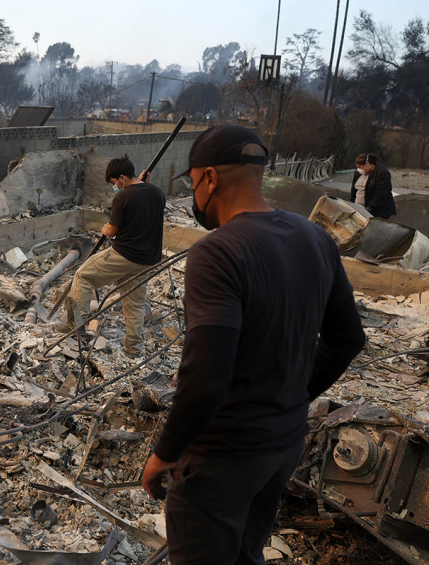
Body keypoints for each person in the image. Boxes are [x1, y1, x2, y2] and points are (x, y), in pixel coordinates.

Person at [141, 124, 365, 564]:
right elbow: (348, 339)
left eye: (193, 184)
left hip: (224, 457)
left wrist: (164, 453)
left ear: (209, 178)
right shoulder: (315, 238)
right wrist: (293, 398)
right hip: (282, 448)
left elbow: (206, 377)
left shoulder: (217, 252)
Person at [65, 155, 165, 357]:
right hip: (147, 259)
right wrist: (143, 185)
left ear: (121, 177)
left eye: (113, 183)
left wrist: (104, 228)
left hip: (124, 255)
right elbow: (143, 203)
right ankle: (134, 350)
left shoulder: (123, 197)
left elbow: (111, 231)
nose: (114, 187)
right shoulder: (156, 192)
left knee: (83, 276)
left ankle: (79, 325)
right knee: (134, 304)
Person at [362, 153, 396, 219]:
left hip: (382, 210)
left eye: (361, 167)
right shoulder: (372, 171)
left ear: (367, 164)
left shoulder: (382, 172)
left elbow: (381, 193)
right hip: (375, 208)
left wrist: (370, 207)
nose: (361, 170)